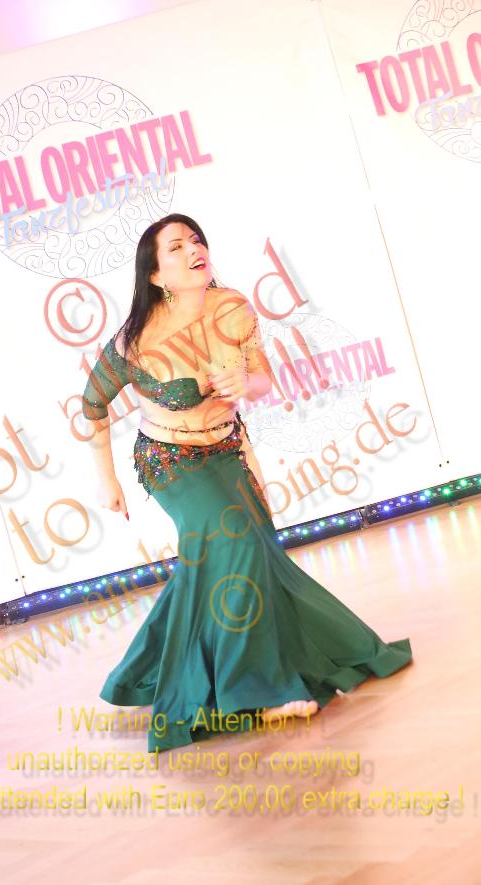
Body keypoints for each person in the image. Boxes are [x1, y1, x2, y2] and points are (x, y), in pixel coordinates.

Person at [82, 212, 413, 753]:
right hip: (169, 461)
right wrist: (106, 479)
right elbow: (92, 405)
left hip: (228, 450)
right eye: (175, 247)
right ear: (156, 275)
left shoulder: (232, 307)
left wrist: (246, 382)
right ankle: (253, 692)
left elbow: (262, 379)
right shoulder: (135, 341)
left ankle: (148, 673)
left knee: (232, 557)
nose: (193, 249)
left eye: (196, 240)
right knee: (235, 544)